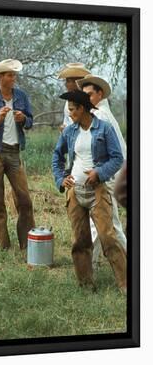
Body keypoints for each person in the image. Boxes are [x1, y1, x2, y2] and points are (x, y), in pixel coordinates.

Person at [52, 90, 126, 291]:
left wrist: (99, 173)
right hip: (75, 192)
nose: (70, 114)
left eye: (73, 110)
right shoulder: (70, 131)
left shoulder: (104, 128)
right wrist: (61, 179)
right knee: (80, 240)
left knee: (108, 237)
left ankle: (126, 284)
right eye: (69, 110)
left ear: (82, 108)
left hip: (97, 191)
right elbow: (57, 156)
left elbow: (117, 158)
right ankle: (86, 285)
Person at [0, 59, 35, 250]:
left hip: (14, 151)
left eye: (14, 75)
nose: (13, 78)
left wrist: (23, 118)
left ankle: (27, 244)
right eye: (10, 75)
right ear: (0, 77)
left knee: (24, 200)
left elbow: (30, 122)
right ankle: (3, 246)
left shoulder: (21, 97)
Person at [76, 74, 127, 267]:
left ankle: (91, 265)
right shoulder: (95, 114)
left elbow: (113, 154)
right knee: (107, 223)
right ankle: (93, 264)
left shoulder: (101, 116)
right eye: (84, 95)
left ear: (100, 95)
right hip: (108, 174)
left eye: (90, 94)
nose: (87, 98)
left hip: (110, 175)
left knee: (106, 223)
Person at [57, 62, 91, 131]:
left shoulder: (89, 100)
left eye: (70, 81)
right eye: (67, 81)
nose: (67, 84)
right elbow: (67, 123)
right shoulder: (68, 103)